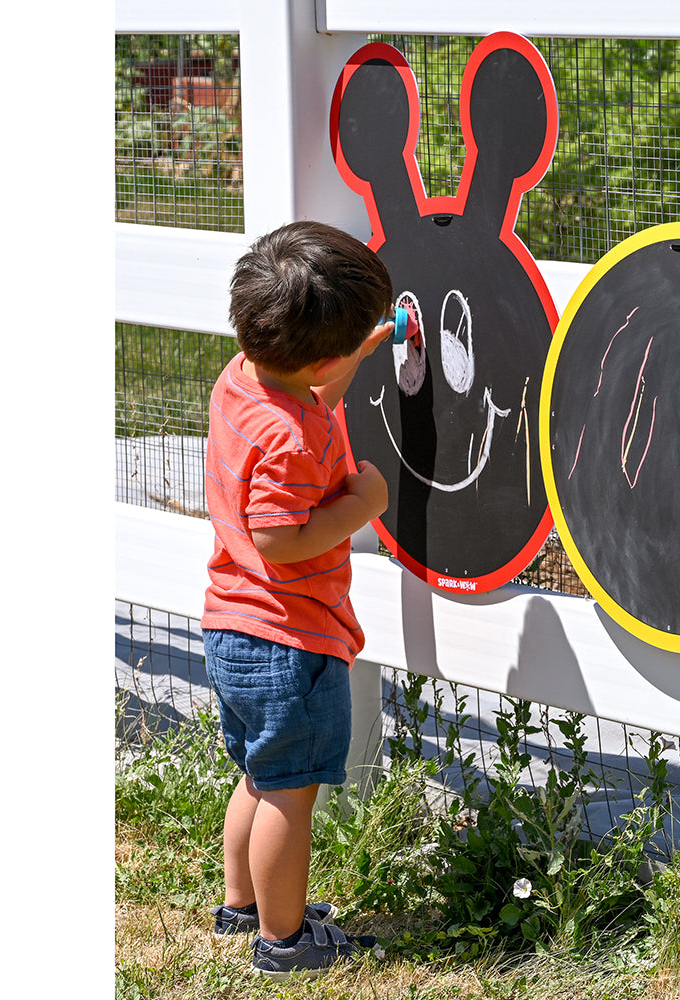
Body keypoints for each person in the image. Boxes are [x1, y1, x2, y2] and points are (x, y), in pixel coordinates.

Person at [200, 220, 393, 980]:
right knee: (291, 791)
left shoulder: (242, 377)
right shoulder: (289, 440)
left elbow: (309, 386)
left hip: (233, 627)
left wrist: (355, 352)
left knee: (259, 771)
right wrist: (362, 504)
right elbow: (280, 537)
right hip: (290, 639)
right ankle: (285, 943)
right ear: (320, 356)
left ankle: (242, 905)